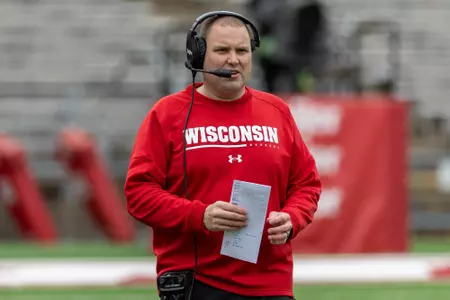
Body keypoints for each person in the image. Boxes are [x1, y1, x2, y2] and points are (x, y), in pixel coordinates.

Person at [124, 10, 322, 300]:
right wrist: (199, 215)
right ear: (198, 55)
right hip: (196, 280)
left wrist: (293, 218)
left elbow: (307, 184)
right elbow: (138, 194)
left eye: (242, 50)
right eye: (222, 50)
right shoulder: (167, 114)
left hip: (271, 283)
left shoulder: (277, 111)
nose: (234, 59)